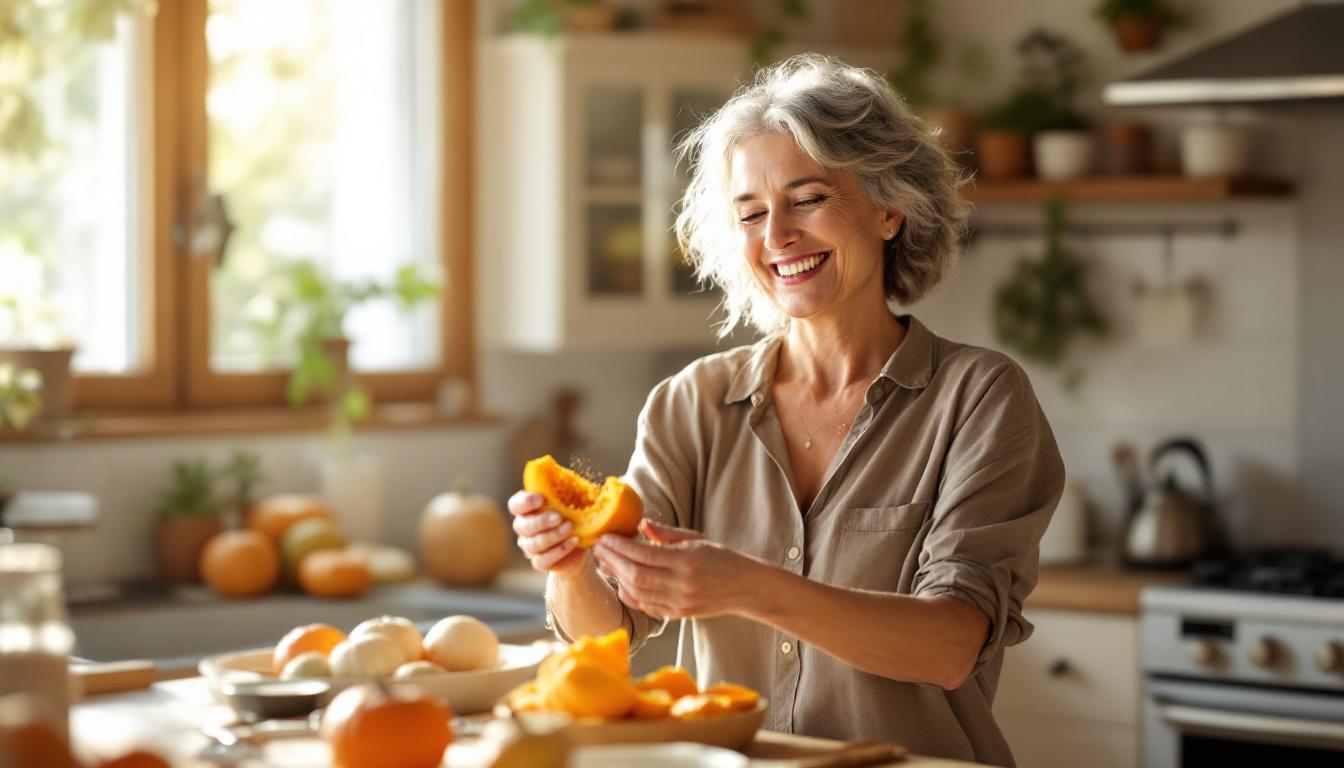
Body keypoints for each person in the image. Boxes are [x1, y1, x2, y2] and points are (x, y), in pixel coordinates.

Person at [508, 54, 1064, 767]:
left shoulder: (979, 398)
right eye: (750, 213)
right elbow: (608, 634)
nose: (777, 236)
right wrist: (569, 563)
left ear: (889, 209)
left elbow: (951, 644)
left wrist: (749, 585)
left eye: (807, 199)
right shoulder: (691, 405)